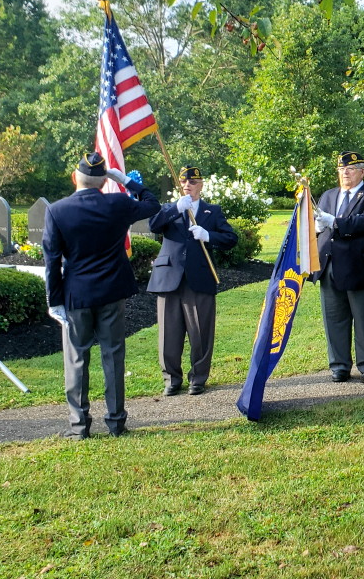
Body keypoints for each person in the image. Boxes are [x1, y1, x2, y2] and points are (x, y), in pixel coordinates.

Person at [42, 151, 160, 438]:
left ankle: (79, 426)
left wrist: (54, 300)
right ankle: (116, 422)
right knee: (113, 355)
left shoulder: (57, 210)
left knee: (77, 359)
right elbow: (152, 204)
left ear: (74, 177)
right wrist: (126, 182)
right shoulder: (118, 202)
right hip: (111, 292)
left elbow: (52, 261)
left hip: (76, 295)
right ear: (104, 179)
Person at [147, 165, 239, 396]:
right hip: (169, 277)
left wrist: (209, 235)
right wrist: (176, 209)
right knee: (169, 333)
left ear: (201, 185)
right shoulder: (169, 208)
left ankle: (198, 378)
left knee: (200, 332)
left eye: (193, 182)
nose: (188, 185)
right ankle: (171, 379)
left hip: (199, 277)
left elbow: (231, 239)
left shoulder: (212, 211)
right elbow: (153, 226)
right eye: (184, 182)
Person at [311, 152, 364, 384]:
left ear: (362, 172)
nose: (345, 172)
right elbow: (319, 227)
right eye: (342, 169)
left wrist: (334, 222)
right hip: (330, 265)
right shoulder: (328, 196)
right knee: (334, 318)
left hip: (361, 267)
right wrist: (317, 227)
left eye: (351, 168)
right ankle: (339, 366)